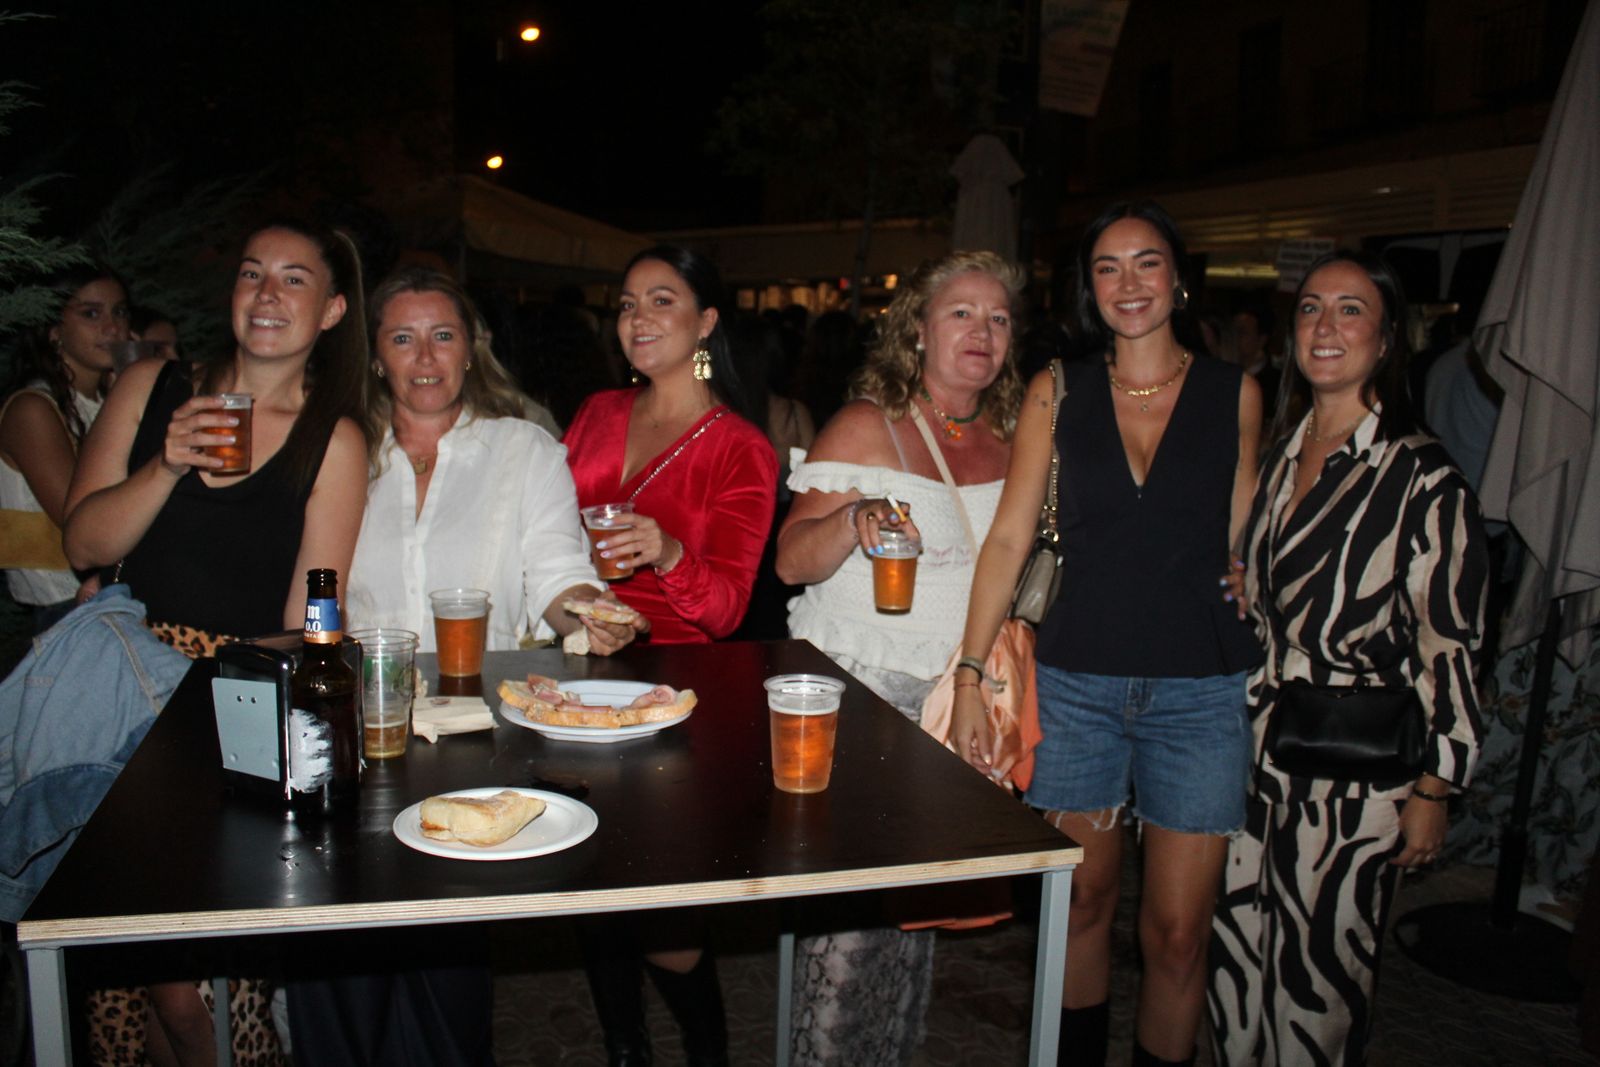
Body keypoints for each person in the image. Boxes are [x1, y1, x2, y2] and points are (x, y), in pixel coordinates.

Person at [951, 201, 1263, 1067]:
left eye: (1147, 262)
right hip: (1077, 687)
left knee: (1174, 936)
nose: (1129, 283)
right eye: (1107, 267)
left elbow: (1248, 541)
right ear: (1089, 288)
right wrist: (972, 674)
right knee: (1079, 907)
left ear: (1178, 276)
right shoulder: (1060, 389)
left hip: (1199, 692)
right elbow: (1010, 538)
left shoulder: (1236, 392)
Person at [62, 220, 371, 1065]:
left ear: (333, 308)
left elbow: (313, 616)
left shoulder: (333, 439)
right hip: (118, 692)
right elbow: (83, 544)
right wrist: (165, 464)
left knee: (192, 984)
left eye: (294, 279)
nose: (267, 293)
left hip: (230, 706)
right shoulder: (154, 385)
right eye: (251, 273)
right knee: (123, 970)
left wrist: (216, 683)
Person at [1207, 252, 1488, 1066]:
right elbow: (1280, 583)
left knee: (1319, 979)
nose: (1325, 327)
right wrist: (1248, 583)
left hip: (1355, 768)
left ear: (1387, 336)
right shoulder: (1285, 452)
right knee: (1238, 954)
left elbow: (1451, 642)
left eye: (1350, 310)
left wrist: (1436, 786)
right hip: (1254, 746)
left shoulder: (1423, 476)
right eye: (1311, 309)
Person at [774, 249, 1024, 1065]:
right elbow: (788, 562)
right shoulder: (865, 426)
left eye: (997, 316)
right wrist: (851, 522)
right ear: (918, 329)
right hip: (863, 696)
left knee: (911, 925)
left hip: (954, 701)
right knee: (845, 933)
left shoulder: (1015, 436)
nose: (980, 331)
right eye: (961, 313)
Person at [563, 245, 776, 1067]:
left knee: (665, 919)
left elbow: (724, 609)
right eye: (625, 303)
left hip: (674, 701)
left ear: (706, 322)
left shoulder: (739, 447)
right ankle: (625, 1048)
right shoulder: (594, 413)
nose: (637, 318)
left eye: (661, 300)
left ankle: (708, 1052)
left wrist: (667, 549)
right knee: (586, 883)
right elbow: (548, 541)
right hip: (579, 677)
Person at [347, 266, 643, 656]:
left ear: (469, 350)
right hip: (369, 701)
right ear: (377, 359)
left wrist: (595, 614)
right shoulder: (345, 456)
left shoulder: (524, 451)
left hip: (479, 700)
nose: (425, 357)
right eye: (403, 339)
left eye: (443, 336)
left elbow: (558, 576)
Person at [1, 265, 127, 632]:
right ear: (55, 332)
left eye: (119, 311)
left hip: (117, 595)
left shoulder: (110, 399)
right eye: (91, 313)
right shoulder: (33, 409)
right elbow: (84, 524)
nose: (112, 327)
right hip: (68, 608)